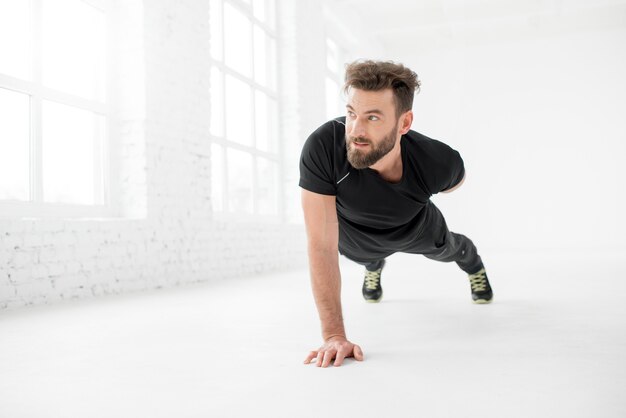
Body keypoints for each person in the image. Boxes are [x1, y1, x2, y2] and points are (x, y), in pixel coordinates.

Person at [299, 60, 493, 368]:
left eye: (373, 117)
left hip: (414, 227)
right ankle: (374, 266)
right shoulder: (322, 146)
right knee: (366, 257)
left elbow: (457, 181)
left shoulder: (438, 161)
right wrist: (334, 336)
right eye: (352, 114)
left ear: (404, 124)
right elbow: (321, 244)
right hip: (354, 234)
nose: (356, 131)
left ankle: (475, 267)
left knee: (451, 248)